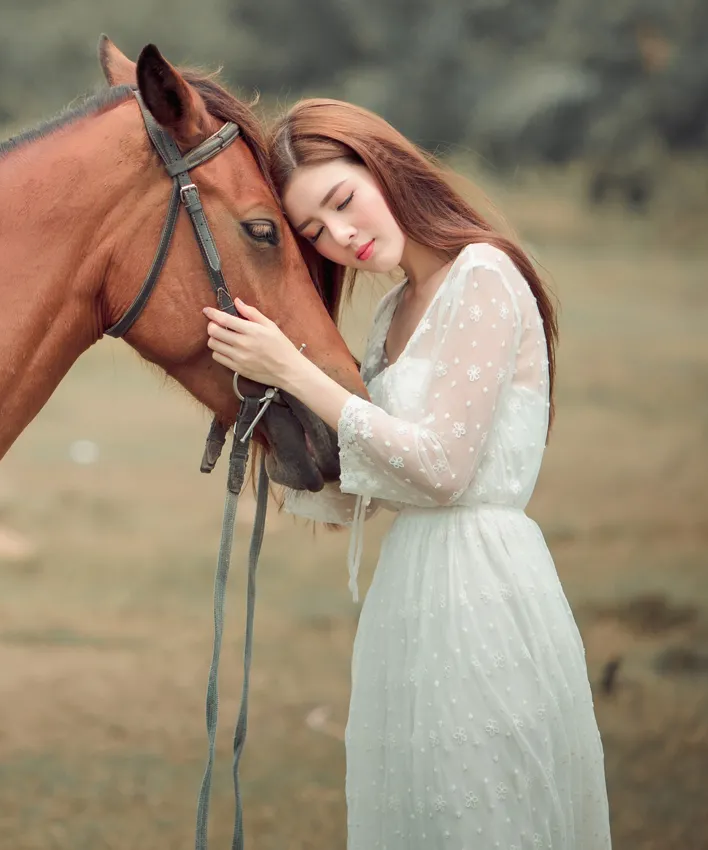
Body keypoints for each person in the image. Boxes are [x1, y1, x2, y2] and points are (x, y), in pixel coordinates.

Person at [203, 98, 611, 849]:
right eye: (316, 232)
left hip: (485, 590)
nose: (341, 237)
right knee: (422, 815)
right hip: (410, 597)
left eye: (342, 201)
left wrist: (293, 369)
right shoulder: (393, 311)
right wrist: (259, 406)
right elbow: (377, 474)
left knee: (486, 816)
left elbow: (442, 469)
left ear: (381, 164)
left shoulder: (482, 275)